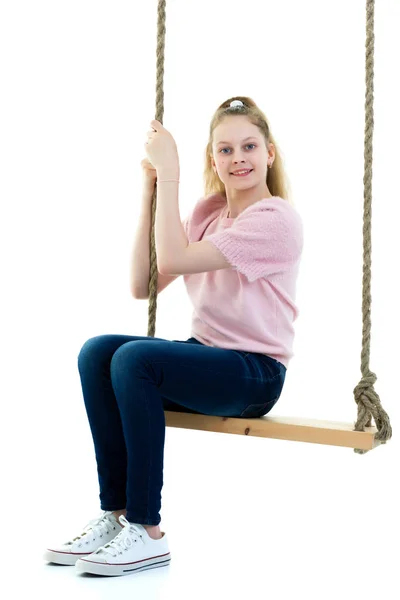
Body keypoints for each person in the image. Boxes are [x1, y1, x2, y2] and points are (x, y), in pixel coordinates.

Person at [43, 97, 303, 577]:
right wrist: (151, 190)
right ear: (214, 159)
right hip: (206, 358)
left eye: (249, 146)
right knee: (99, 353)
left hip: (255, 372)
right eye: (225, 149)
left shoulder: (274, 220)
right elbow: (143, 284)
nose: (238, 158)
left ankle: (147, 530)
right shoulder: (207, 212)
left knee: (133, 360)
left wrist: (172, 174)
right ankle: (118, 514)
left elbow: (178, 261)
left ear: (270, 153)